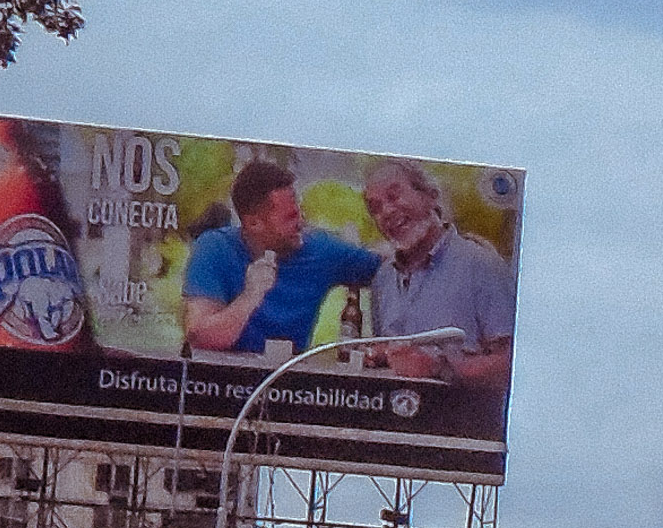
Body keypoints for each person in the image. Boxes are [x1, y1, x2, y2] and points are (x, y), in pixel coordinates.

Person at [182, 161, 382, 364]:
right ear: (254, 223)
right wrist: (251, 295)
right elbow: (200, 337)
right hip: (217, 377)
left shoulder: (322, 250)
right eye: (290, 217)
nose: (301, 223)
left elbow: (389, 268)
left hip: (286, 378)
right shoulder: (215, 247)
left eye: (299, 212)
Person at [362, 161, 518, 391]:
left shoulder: (480, 264)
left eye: (394, 197)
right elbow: (397, 359)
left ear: (431, 196)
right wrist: (382, 356)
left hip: (460, 412)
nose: (386, 211)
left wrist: (440, 368)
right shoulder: (384, 278)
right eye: (375, 208)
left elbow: (513, 364)